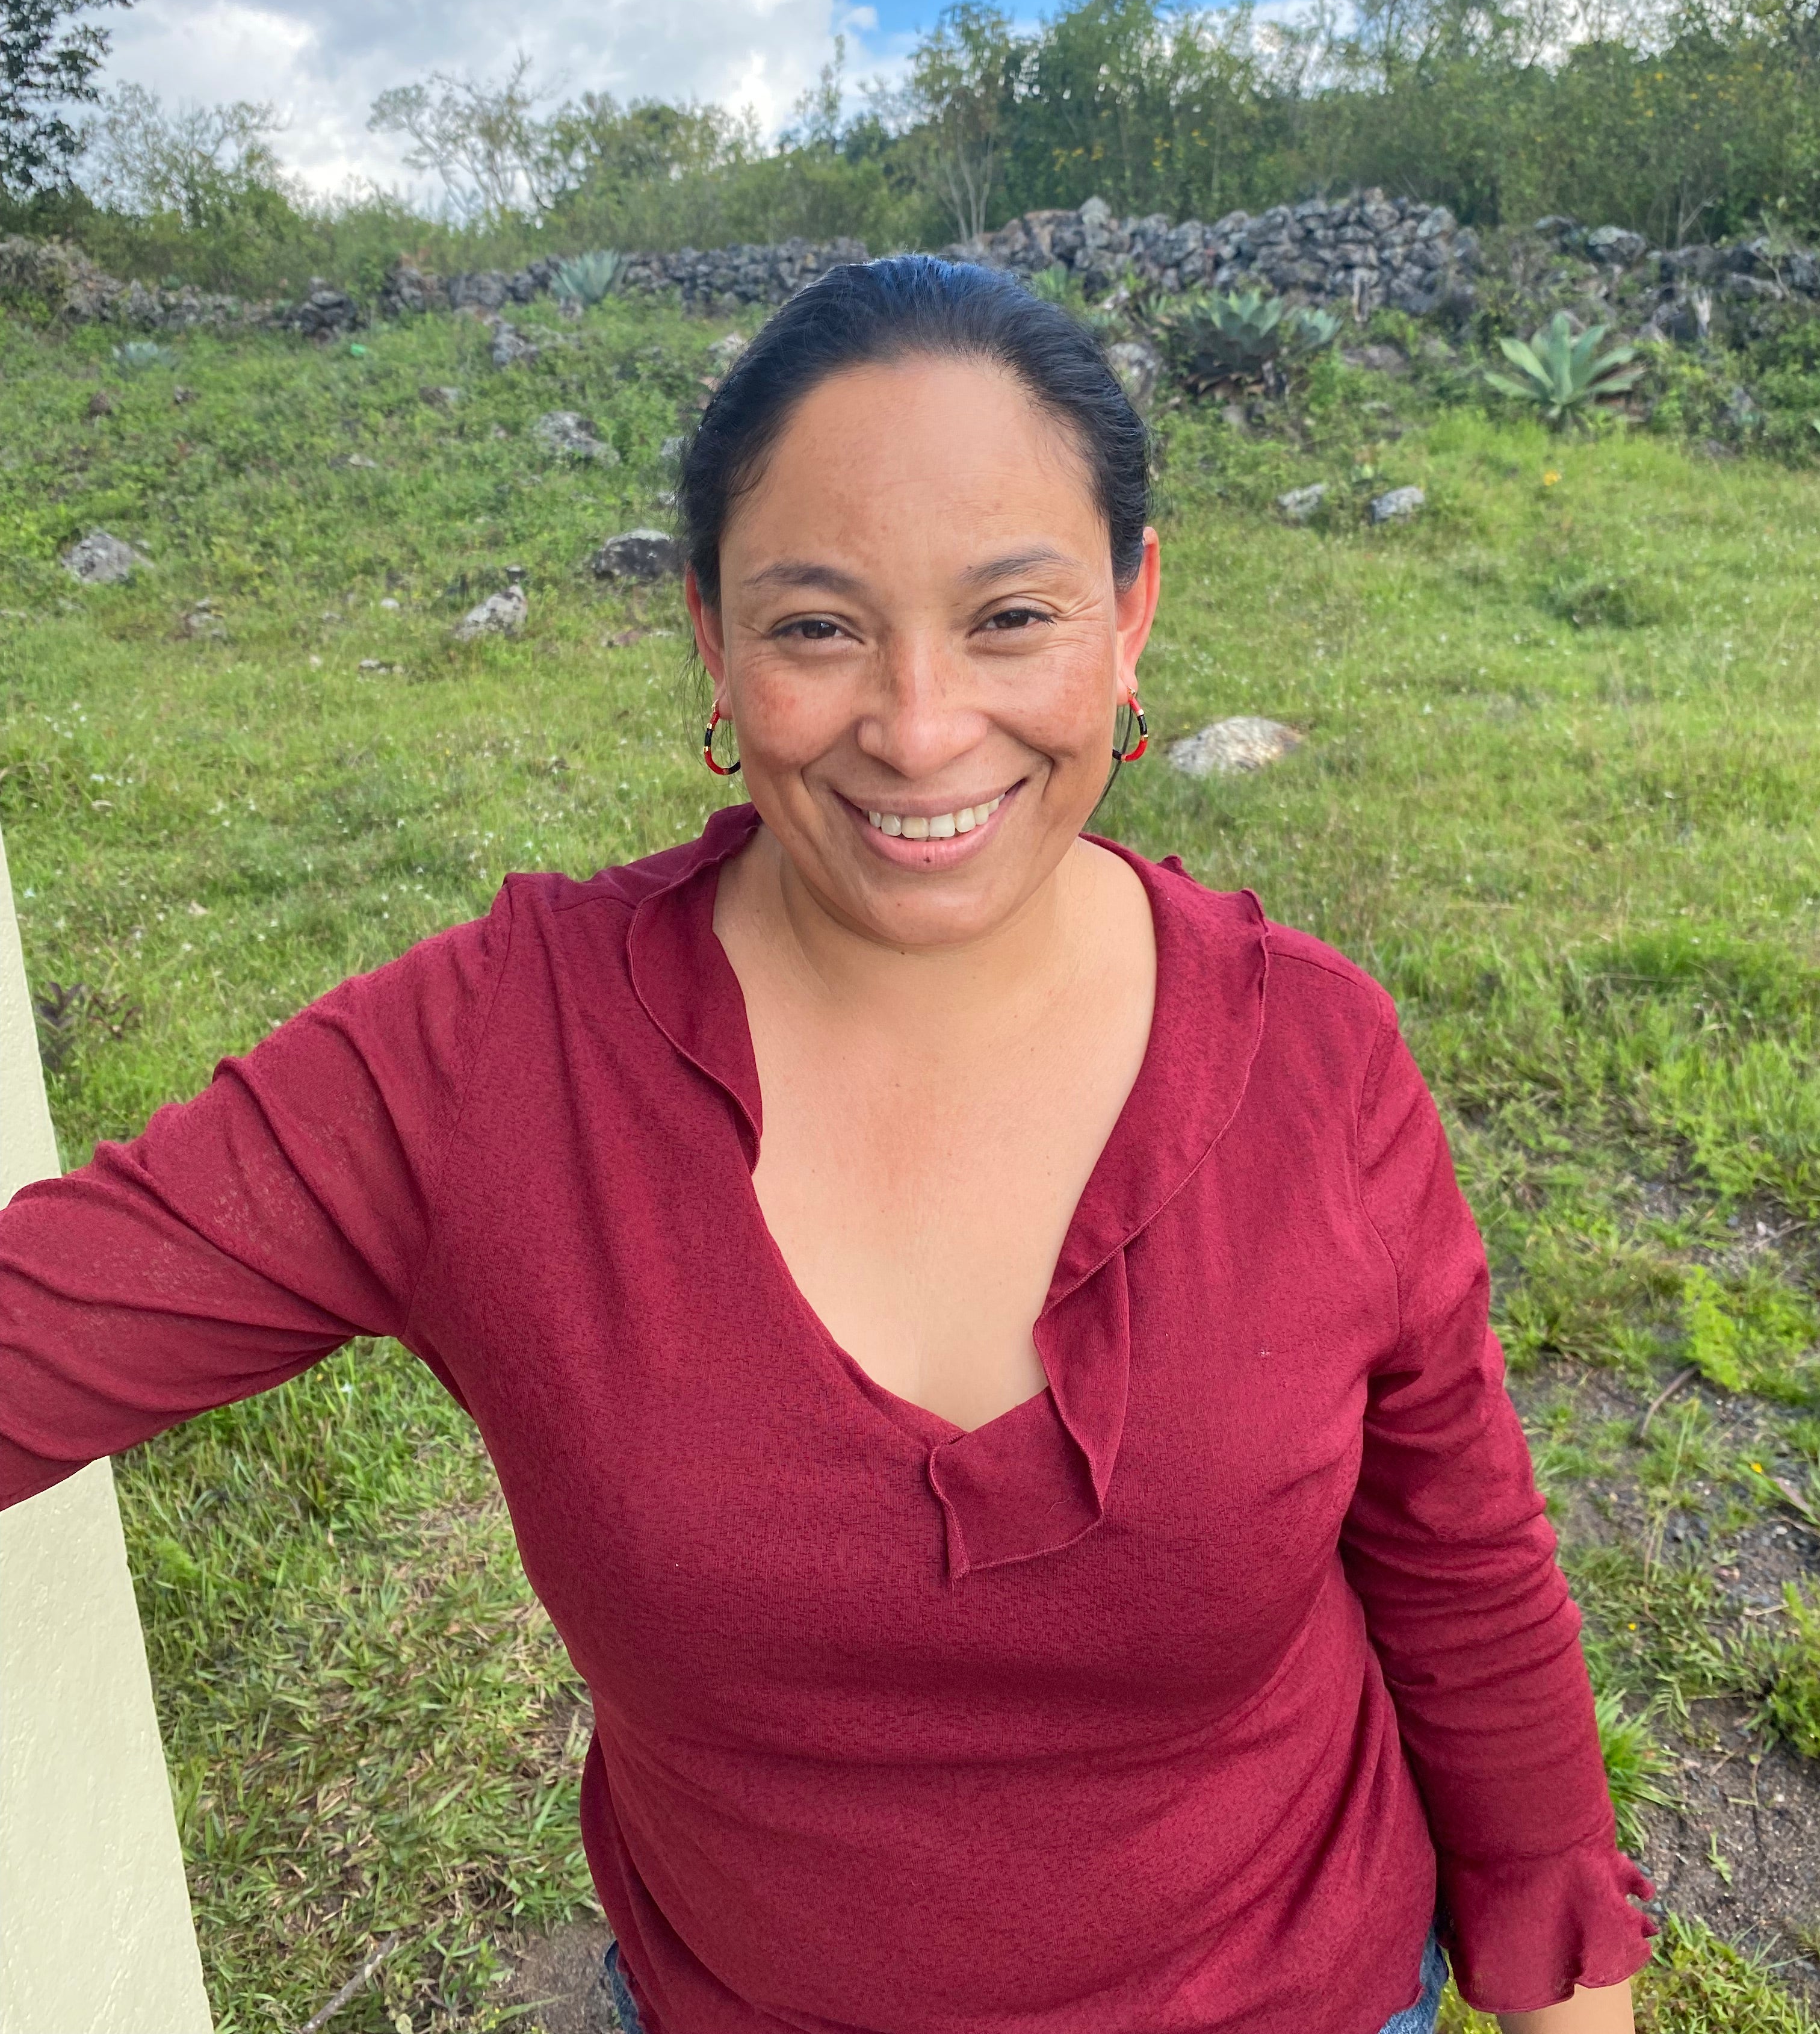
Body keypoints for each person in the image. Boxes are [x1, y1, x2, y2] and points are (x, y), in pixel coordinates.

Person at [0, 256, 1651, 2033]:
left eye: (1012, 617)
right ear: (709, 638)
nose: (922, 728)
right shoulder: (491, 1062)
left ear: (1133, 611)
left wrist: (1569, 1980)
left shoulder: (1316, 1055)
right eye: (817, 627)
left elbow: (1461, 1567)